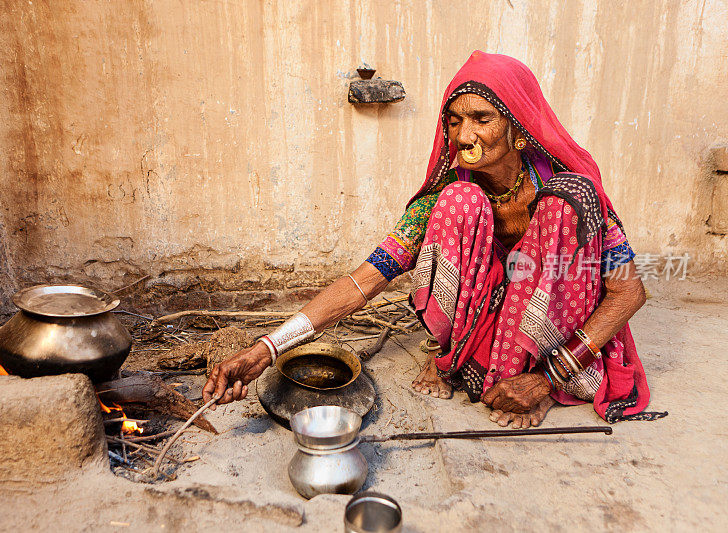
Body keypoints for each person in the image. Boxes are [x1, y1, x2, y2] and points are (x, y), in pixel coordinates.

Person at [203, 51, 666, 427]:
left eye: (481, 119)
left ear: (519, 131)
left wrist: (547, 379)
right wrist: (267, 348)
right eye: (453, 121)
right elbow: (364, 280)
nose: (464, 135)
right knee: (459, 201)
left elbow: (629, 291)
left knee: (565, 205)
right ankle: (454, 353)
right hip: (488, 319)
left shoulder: (569, 192)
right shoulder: (448, 195)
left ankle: (530, 381)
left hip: (550, 338)